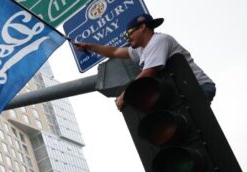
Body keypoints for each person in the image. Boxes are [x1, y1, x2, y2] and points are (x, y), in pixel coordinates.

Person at [74, 13, 215, 110]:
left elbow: (149, 72)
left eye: (129, 33)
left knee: (191, 124)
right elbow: (114, 52)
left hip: (199, 86)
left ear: (142, 27)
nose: (127, 38)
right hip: (181, 87)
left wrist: (125, 94)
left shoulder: (159, 40)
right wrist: (89, 46)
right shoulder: (140, 49)